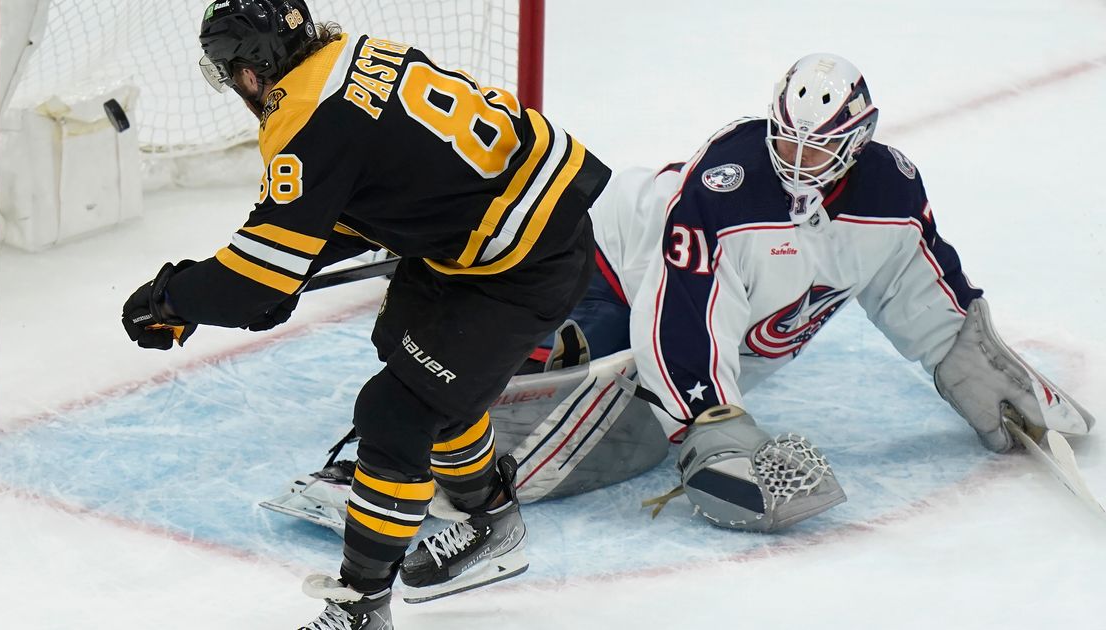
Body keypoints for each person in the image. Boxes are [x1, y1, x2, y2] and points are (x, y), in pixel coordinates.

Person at [277, 52, 1098, 538]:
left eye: (821, 149)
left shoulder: (890, 194)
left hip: (638, 286)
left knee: (575, 367)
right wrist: (710, 425)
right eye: (787, 141)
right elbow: (680, 315)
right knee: (509, 375)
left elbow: (922, 288)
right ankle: (371, 451)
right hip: (591, 249)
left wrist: (983, 368)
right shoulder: (728, 185)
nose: (798, 162)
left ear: (859, 139)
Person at [119, 1, 611, 628]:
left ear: (250, 70)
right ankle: (491, 518)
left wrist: (174, 298)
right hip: (503, 226)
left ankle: (361, 608)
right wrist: (283, 274)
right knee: (411, 357)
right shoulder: (357, 54)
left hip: (520, 263)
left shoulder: (303, 118)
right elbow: (375, 193)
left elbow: (256, 277)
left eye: (233, 72)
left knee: (397, 412)